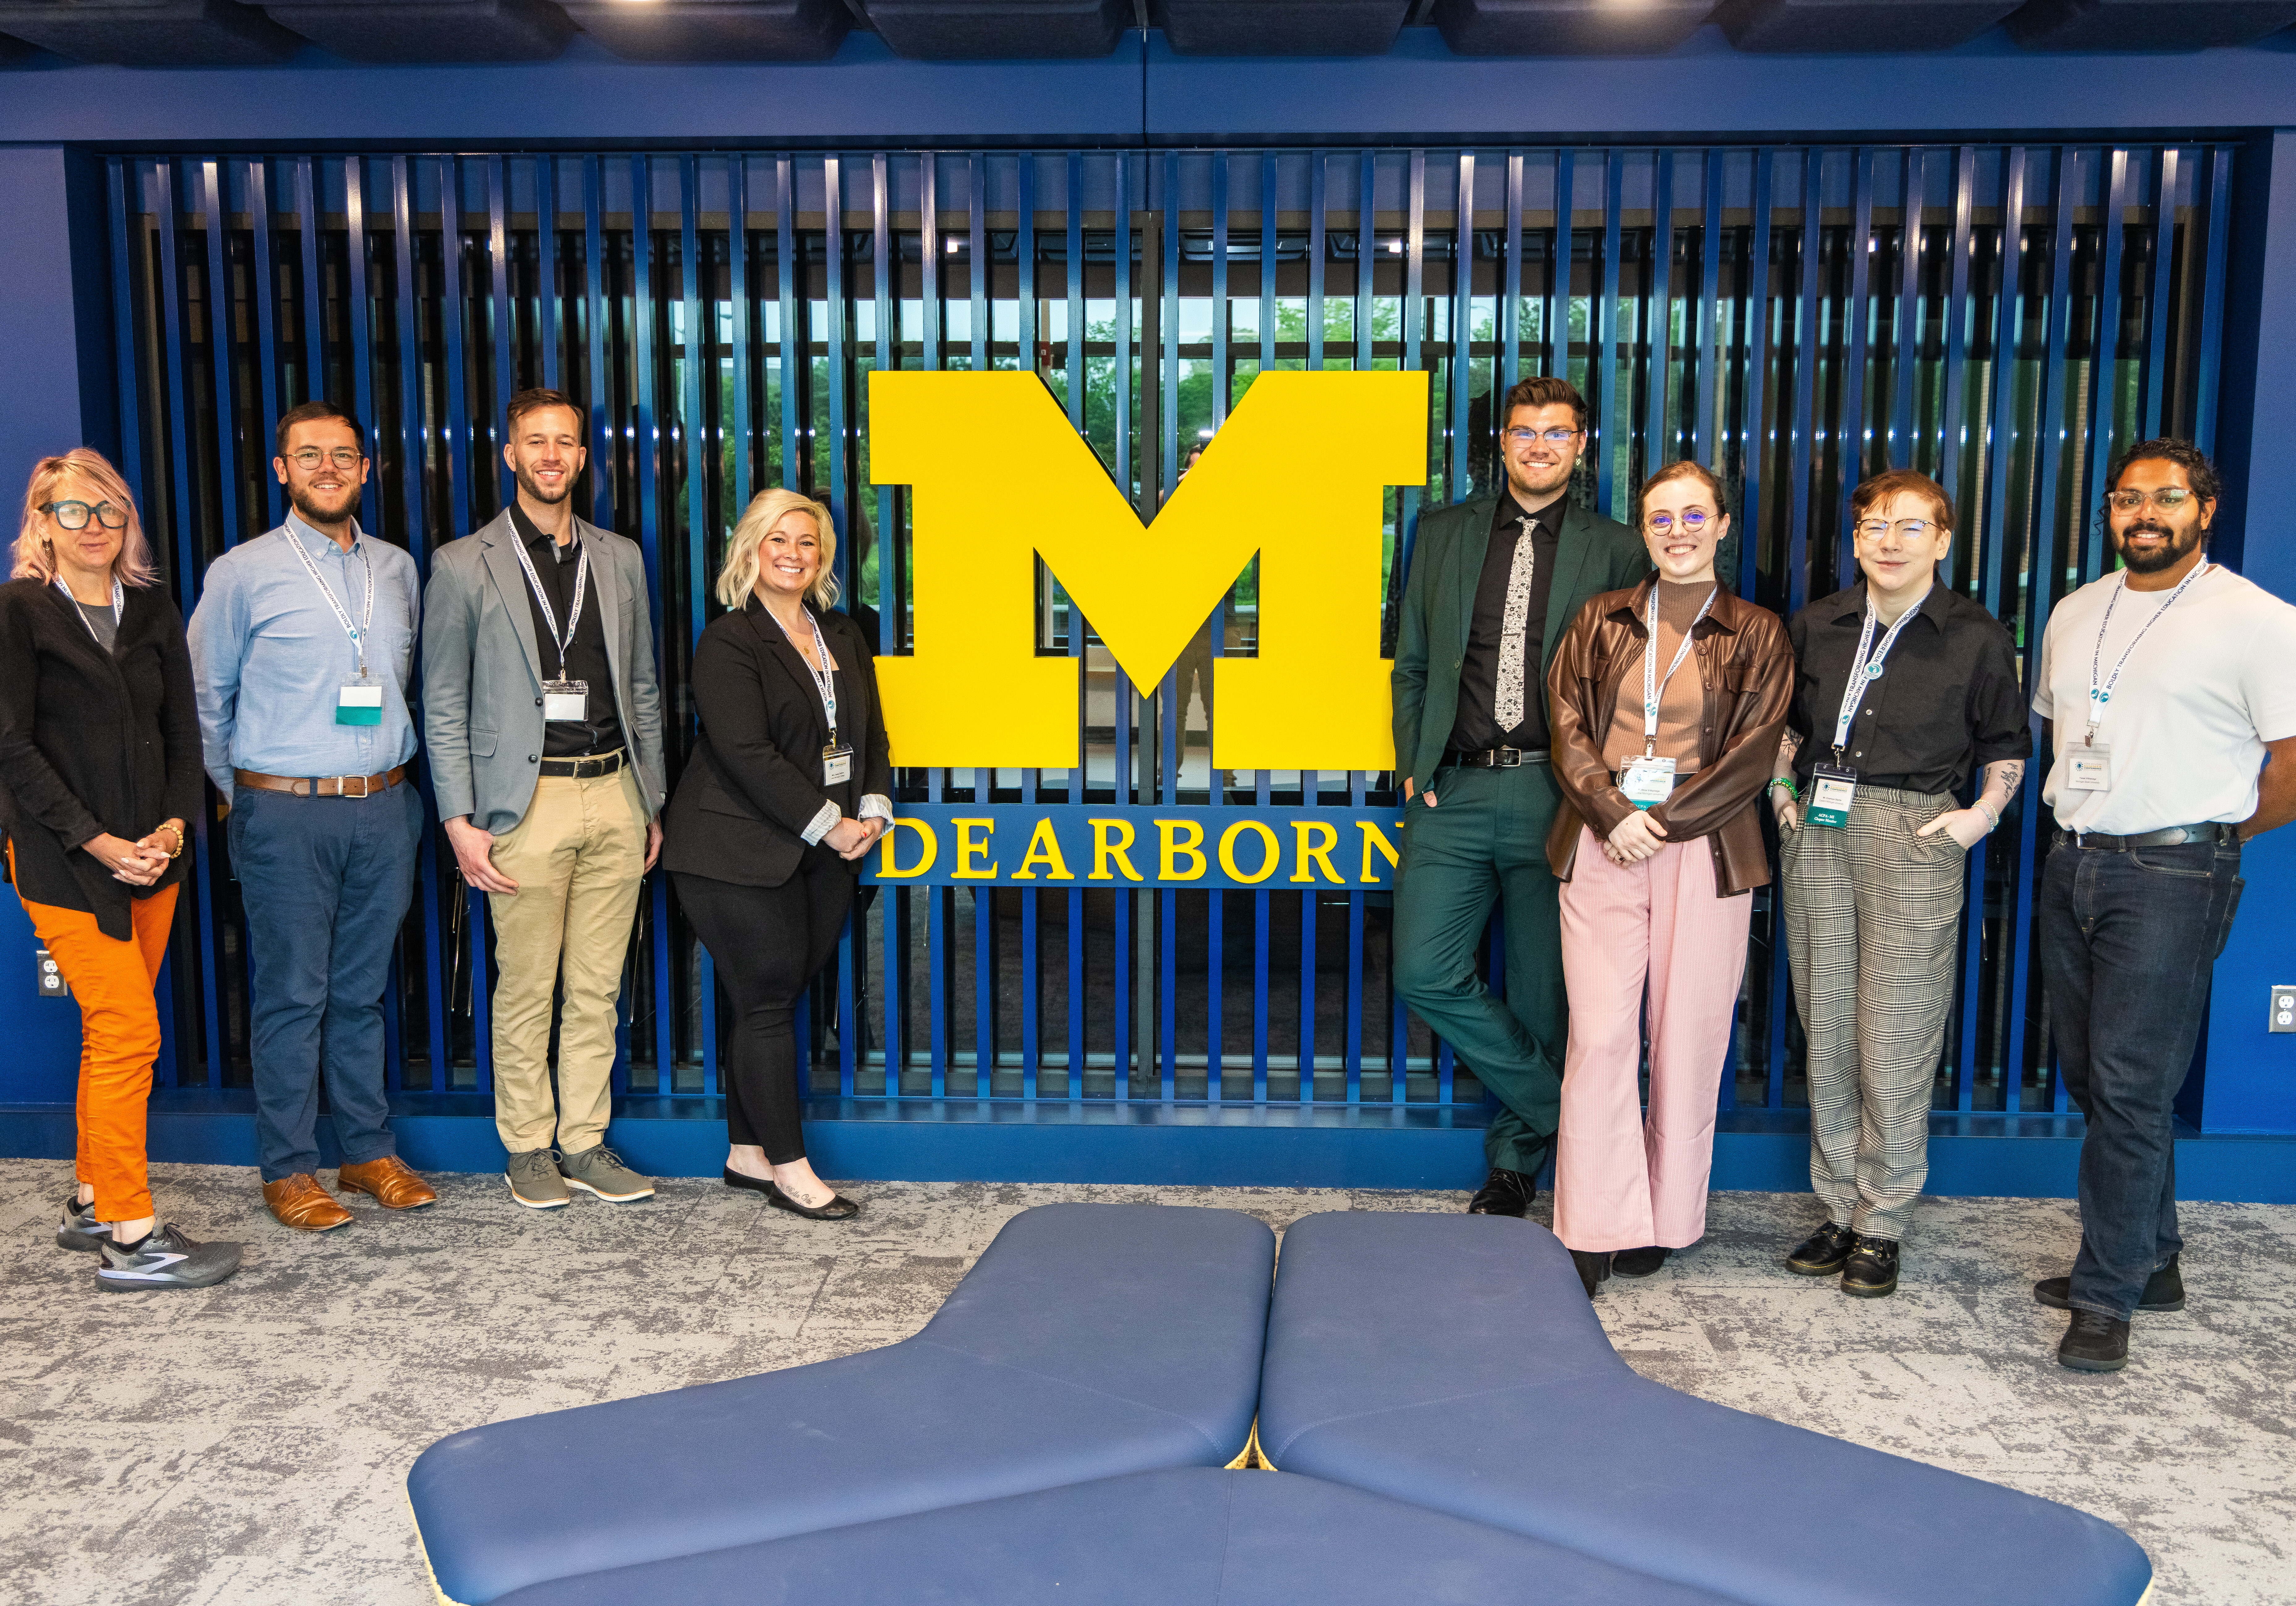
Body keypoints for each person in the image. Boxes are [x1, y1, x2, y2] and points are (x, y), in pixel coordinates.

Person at [2029, 438, 2296, 1372]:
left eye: (2166, 498)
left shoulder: (2259, 621)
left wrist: (2217, 838)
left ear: (2205, 508)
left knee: (2134, 1085)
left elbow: (2293, 760)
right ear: (2109, 510)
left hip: (2175, 874)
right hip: (2073, 864)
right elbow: (2069, 729)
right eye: (2126, 498)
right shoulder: (2075, 612)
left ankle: (2107, 1297)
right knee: (2099, 1079)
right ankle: (2155, 1258)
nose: (2145, 513)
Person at [1389, 375, 1649, 1217]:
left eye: (1558, 433)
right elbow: (1416, 662)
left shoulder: (1616, 548)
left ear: (1582, 447)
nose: (1539, 445)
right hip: (1455, 792)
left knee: (1545, 991)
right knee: (1423, 970)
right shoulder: (1442, 533)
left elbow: (1635, 681)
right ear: (1499, 443)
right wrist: (1412, 765)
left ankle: (1515, 1164)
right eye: (1524, 431)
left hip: (1558, 792)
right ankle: (1578, 1120)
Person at [1770, 470, 2030, 1298]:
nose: (1889, 541)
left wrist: (1977, 818)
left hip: (1915, 833)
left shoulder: (1975, 635)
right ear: (1854, 540)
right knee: (1830, 1027)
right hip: (1819, 826)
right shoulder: (1816, 626)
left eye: (1910, 528)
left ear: (1943, 541)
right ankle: (1840, 1205)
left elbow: (2005, 744)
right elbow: (1788, 726)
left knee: (1896, 1034)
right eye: (1874, 526)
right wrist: (1781, 791)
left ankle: (1883, 1221)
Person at [188, 400, 438, 1232]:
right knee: (294, 994)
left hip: (385, 806)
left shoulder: (398, 569)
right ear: (281, 470)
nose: (328, 468)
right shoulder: (242, 572)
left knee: (362, 994)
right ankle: (288, 1167)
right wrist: (247, 791)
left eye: (343, 455)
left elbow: (398, 680)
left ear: (368, 469)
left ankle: (366, 1151)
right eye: (309, 456)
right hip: (284, 813)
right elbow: (202, 700)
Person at [1545, 461, 1791, 1297]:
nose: (1677, 530)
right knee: (1602, 1035)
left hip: (1708, 850)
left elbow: (1754, 751)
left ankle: (1663, 1215)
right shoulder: (1599, 619)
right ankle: (1594, 1220)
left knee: (1686, 1039)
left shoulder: (1759, 631)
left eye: (1694, 515)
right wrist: (1614, 811)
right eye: (1661, 518)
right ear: (1643, 529)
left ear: (1723, 524)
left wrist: (1665, 821)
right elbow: (1567, 725)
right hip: (1602, 839)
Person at [0, 449, 241, 1289]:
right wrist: (96, 839)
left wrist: (173, 828)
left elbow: (184, 735)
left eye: (108, 510)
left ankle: (89, 1198)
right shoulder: (20, 611)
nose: (93, 526)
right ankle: (131, 1239)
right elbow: (11, 746)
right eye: (74, 511)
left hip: (155, 860)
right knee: (132, 1032)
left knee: (110, 1036)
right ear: (41, 522)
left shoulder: (151, 608)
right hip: (65, 862)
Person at [423, 389, 666, 1210]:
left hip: (614, 793)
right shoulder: (463, 563)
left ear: (583, 457)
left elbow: (641, 685)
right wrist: (458, 819)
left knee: (598, 986)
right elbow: (444, 697)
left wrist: (652, 800)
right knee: (527, 985)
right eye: (537, 442)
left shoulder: (621, 557)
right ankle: (527, 1146)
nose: (552, 455)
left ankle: (584, 1141)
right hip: (522, 806)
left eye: (566, 442)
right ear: (511, 455)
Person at [661, 489, 892, 1221]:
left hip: (825, 847)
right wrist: (830, 824)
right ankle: (791, 1168)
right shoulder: (730, 640)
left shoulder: (842, 635)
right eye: (778, 541)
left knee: (775, 998)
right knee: (765, 1001)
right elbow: (746, 753)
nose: (794, 554)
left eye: (808, 542)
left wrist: (876, 809)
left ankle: (744, 1152)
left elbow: (871, 732)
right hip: (732, 848)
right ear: (751, 550)